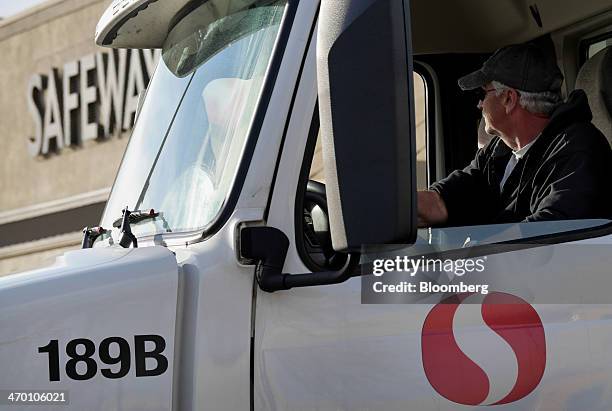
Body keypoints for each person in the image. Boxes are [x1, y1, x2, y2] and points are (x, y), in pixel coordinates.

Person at [418, 42, 612, 227]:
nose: (479, 104)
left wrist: (474, 256)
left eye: (483, 94)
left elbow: (550, 231)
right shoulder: (498, 150)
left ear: (508, 99)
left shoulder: (577, 149)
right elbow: (440, 203)